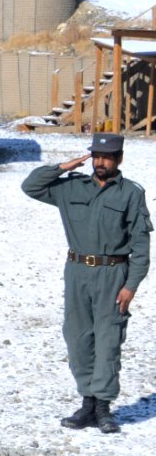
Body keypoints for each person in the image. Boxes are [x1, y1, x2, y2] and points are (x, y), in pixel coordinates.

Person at [22, 134, 151, 433]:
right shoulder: (70, 188)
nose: (100, 162)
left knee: (108, 340)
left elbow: (141, 247)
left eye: (107, 157)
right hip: (77, 271)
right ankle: (87, 402)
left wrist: (131, 286)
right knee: (78, 337)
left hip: (113, 273)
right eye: (95, 156)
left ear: (119, 158)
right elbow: (31, 186)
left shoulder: (130, 193)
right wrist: (64, 166)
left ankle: (103, 407)